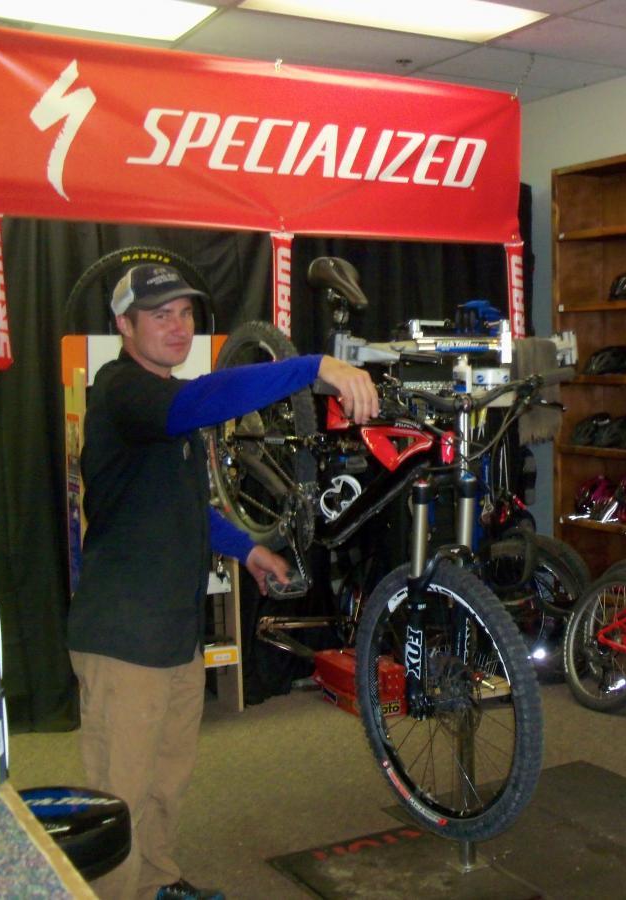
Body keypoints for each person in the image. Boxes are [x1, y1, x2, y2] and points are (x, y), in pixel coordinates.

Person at [66, 263, 379, 900]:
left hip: (171, 632)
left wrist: (248, 551)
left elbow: (182, 503)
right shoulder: (125, 392)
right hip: (124, 638)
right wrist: (312, 366)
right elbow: (204, 398)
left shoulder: (164, 405)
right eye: (159, 315)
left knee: (166, 777)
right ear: (123, 326)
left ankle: (157, 882)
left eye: (184, 313)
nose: (177, 326)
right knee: (119, 791)